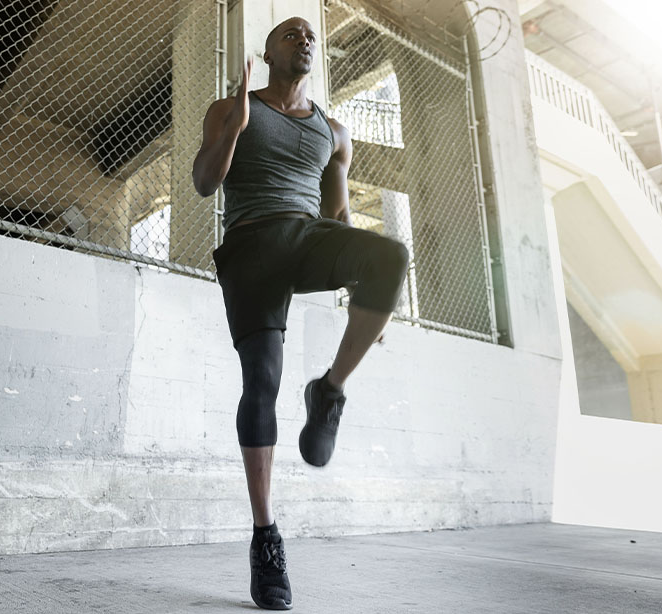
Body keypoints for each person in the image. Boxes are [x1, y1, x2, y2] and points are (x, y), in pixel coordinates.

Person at [191, 16, 410, 611]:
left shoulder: (334, 132)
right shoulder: (230, 108)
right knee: (261, 382)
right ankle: (266, 536)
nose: (304, 39)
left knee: (390, 254)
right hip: (251, 247)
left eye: (310, 34)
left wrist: (367, 292)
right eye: (290, 33)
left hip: (308, 237)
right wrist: (234, 127)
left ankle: (330, 391)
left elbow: (337, 218)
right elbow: (205, 183)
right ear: (266, 54)